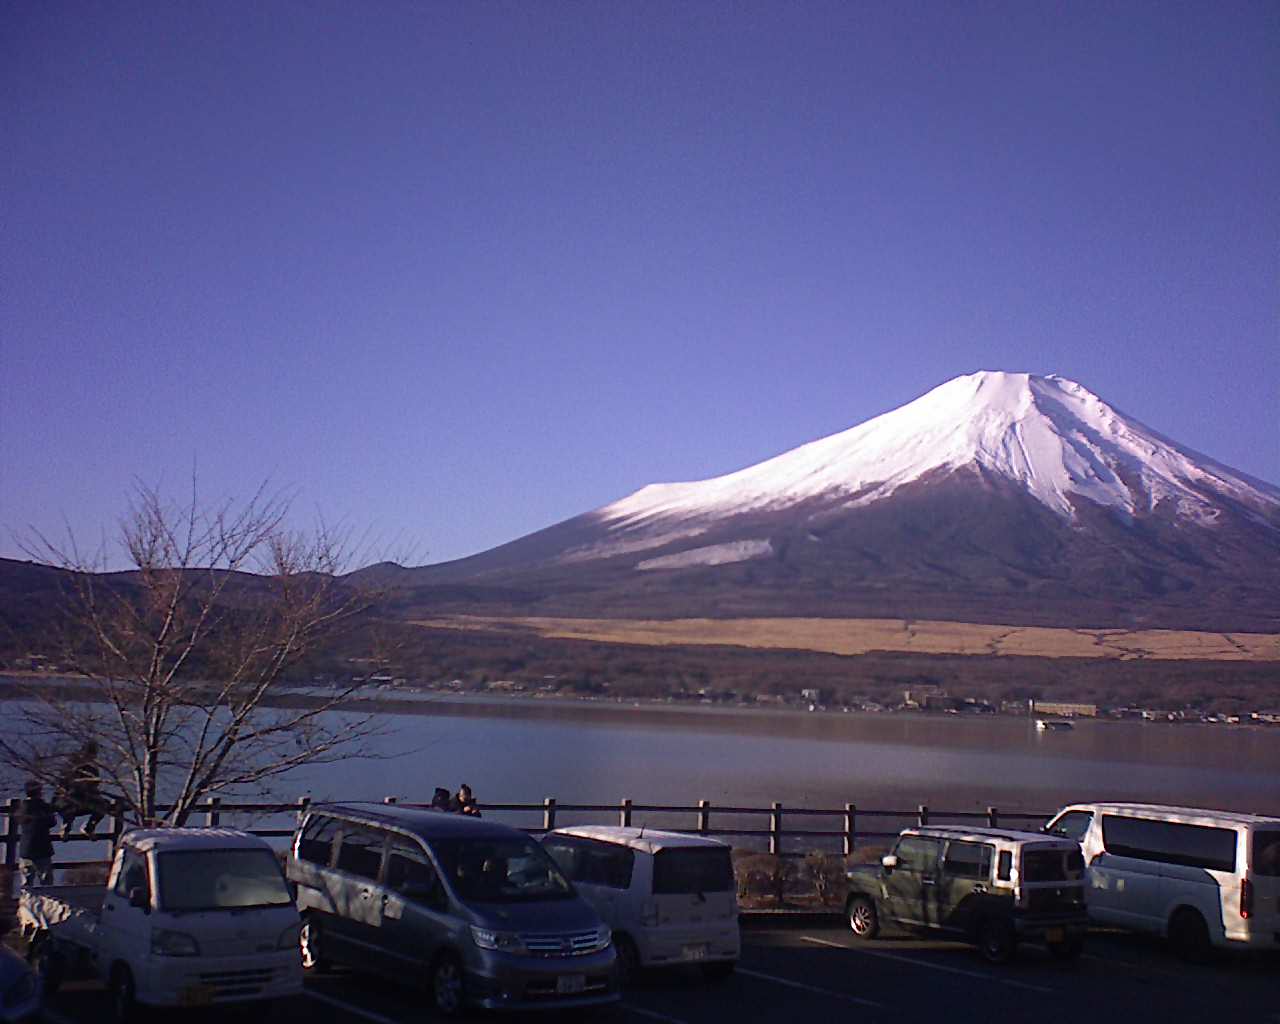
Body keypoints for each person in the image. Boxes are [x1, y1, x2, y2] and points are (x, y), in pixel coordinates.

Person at [56, 740, 105, 838]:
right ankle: (66, 827)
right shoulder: (71, 766)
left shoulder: (91, 769)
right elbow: (62, 784)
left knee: (103, 805)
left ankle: (89, 826)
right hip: (69, 797)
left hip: (85, 798)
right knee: (69, 807)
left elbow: (95, 785)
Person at [18, 781, 56, 888]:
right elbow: (52, 822)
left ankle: (26, 903)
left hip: (26, 849)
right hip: (43, 848)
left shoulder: (22, 807)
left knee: (26, 884)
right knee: (46, 883)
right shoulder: (44, 807)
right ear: (39, 792)